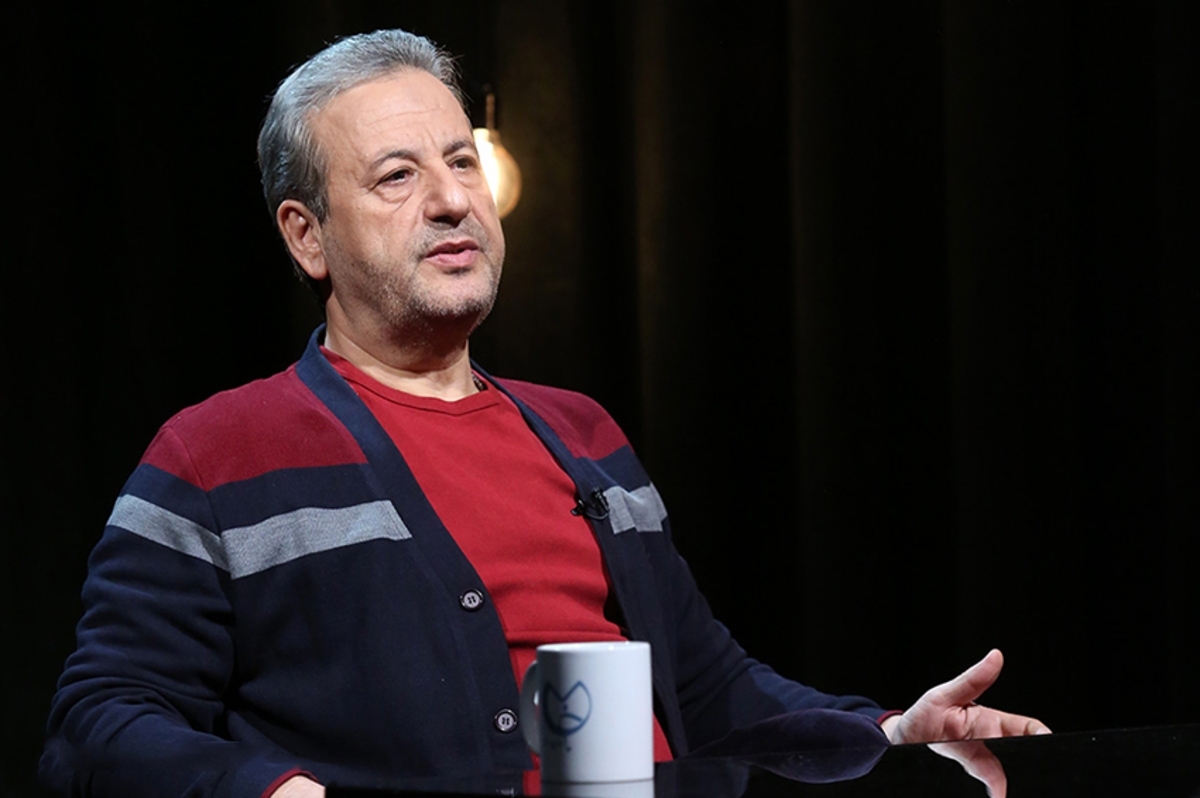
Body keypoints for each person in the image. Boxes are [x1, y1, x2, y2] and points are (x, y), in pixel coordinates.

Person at [40, 29, 1048, 798]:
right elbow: (98, 720)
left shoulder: (584, 436)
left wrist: (886, 733)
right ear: (307, 237)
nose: (451, 200)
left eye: (461, 161)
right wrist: (269, 790)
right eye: (398, 176)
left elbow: (706, 691)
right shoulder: (218, 453)